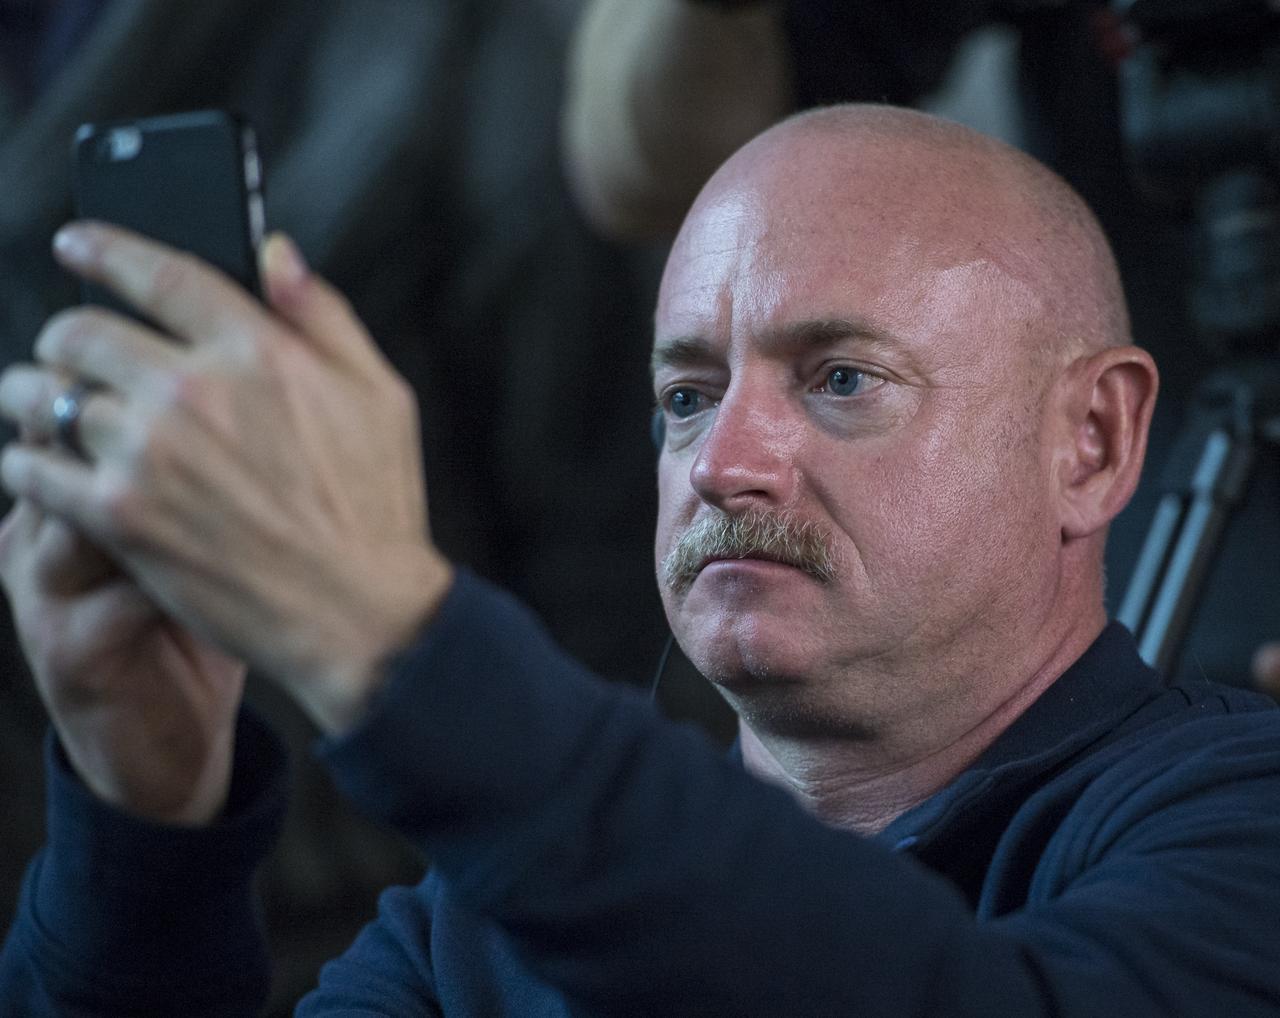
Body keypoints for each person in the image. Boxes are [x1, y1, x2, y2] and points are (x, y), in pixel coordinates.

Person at [2, 104, 1280, 1015]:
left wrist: (388, 627)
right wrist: (144, 821)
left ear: (1092, 441)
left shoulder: (1238, 819)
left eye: (840, 379)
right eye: (684, 394)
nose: (724, 460)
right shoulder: (475, 933)